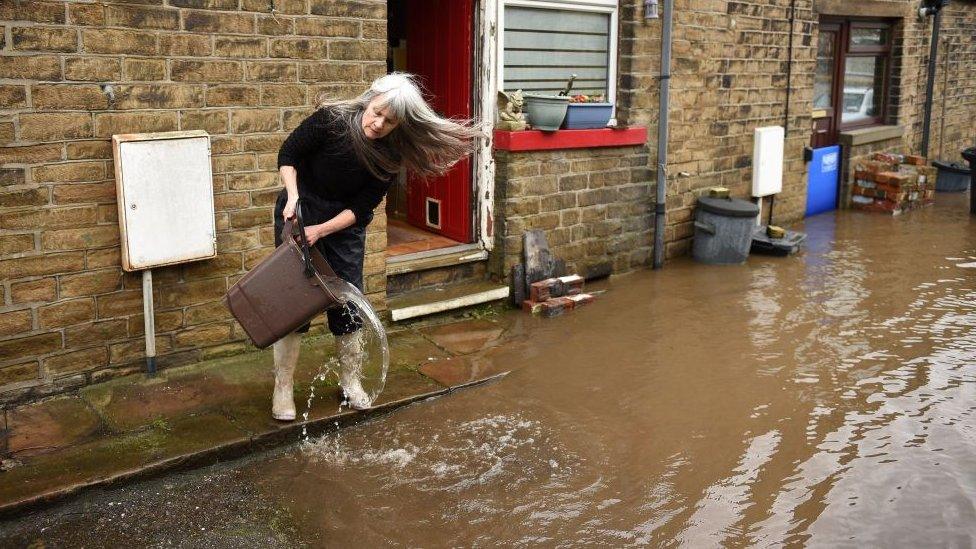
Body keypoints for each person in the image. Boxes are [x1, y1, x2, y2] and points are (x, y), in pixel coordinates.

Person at [270, 73, 481, 421]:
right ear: (369, 99)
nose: (379, 123)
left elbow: (362, 207)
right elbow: (289, 153)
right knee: (295, 304)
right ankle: (283, 387)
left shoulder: (389, 154)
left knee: (348, 305)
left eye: (390, 120)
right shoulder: (331, 121)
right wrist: (293, 197)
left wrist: (322, 231)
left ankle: (350, 381)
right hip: (300, 210)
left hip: (342, 226)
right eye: (377, 112)